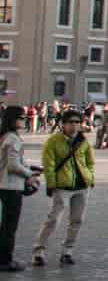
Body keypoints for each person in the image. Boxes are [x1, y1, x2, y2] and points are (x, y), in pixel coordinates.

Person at [32, 109, 96, 267]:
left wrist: (90, 177)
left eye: (77, 122)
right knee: (53, 219)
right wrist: (51, 184)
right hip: (62, 186)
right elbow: (49, 164)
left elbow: (90, 162)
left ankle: (68, 250)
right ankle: (38, 250)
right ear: (63, 124)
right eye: (71, 122)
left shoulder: (84, 141)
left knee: (77, 220)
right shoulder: (54, 141)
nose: (74, 126)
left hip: (82, 186)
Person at [1, 106, 43, 272]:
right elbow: (12, 165)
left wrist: (30, 167)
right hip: (11, 187)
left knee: (4, 225)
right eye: (22, 117)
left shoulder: (4, 136)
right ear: (13, 120)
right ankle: (6, 260)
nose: (24, 120)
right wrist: (29, 175)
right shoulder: (14, 139)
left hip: (3, 185)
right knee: (10, 226)